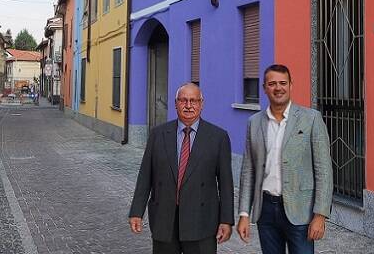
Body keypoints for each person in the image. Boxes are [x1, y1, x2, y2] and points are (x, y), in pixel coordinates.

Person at [237, 64, 333, 254]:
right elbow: (248, 170)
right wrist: (244, 214)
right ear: (264, 88)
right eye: (272, 84)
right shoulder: (254, 123)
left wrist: (320, 214)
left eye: (283, 83)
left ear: (291, 85)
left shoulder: (311, 119)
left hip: (301, 211)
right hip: (265, 210)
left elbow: (324, 170)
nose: (278, 88)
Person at [129, 83, 234, 254]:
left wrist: (226, 220)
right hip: (165, 219)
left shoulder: (218, 137)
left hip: (201, 221)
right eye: (183, 100)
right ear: (175, 103)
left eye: (193, 101)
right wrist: (136, 212)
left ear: (201, 103)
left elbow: (226, 184)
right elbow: (145, 176)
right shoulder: (158, 134)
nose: (188, 105)